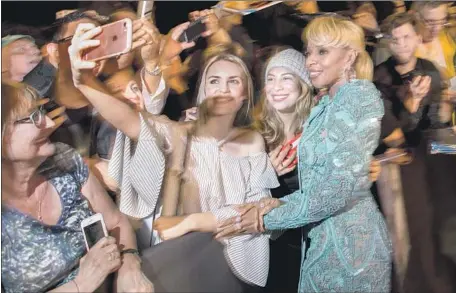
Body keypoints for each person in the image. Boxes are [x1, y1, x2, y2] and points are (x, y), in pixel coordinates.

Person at [68, 21, 278, 292]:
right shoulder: (178, 134)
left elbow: (257, 210)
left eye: (233, 81)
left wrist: (191, 222)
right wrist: (83, 81)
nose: (223, 89)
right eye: (215, 81)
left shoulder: (252, 141)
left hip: (228, 266)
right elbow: (133, 121)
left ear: (245, 94)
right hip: (179, 262)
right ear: (202, 91)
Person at [221, 15, 393, 293]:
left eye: (322, 51)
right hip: (324, 241)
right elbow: (318, 183)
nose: (311, 60)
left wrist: (264, 219)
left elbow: (334, 192)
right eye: (309, 51)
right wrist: (272, 205)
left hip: (351, 250)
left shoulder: (358, 97)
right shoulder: (328, 103)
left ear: (349, 57)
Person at [1, 82, 153, 293]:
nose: (47, 122)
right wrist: (81, 284)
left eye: (40, 111)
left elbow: (117, 221)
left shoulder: (64, 161)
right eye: (33, 117)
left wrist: (129, 267)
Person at [375, 12, 456, 293]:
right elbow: (394, 137)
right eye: (395, 39)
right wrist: (410, 105)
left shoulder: (430, 69)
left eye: (407, 37)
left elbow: (437, 124)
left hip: (432, 155)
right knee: (414, 227)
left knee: (441, 220)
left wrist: (445, 111)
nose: (402, 44)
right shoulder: (381, 77)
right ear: (388, 42)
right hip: (399, 162)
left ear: (417, 37)